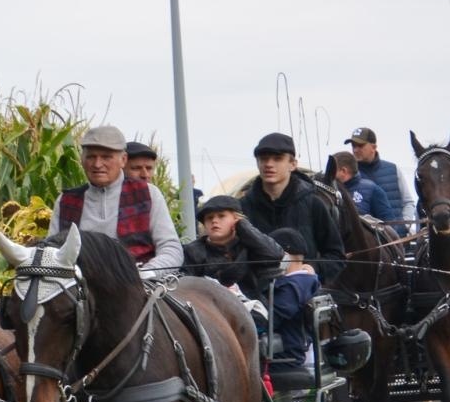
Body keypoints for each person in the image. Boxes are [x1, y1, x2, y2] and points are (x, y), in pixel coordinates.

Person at [50, 125, 183, 275]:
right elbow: (51, 253)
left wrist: (148, 273)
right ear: (82, 160)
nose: (97, 164)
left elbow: (171, 249)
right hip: (79, 291)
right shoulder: (66, 201)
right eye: (91, 157)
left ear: (123, 160)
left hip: (140, 287)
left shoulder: (148, 195)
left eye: (106, 157)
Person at [238, 132, 345, 284]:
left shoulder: (313, 204)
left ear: (293, 164)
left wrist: (313, 269)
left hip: (303, 294)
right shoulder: (242, 208)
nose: (269, 164)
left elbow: (336, 255)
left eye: (277, 159)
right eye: (263, 158)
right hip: (255, 298)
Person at [181, 194, 284, 301]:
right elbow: (186, 286)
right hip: (209, 308)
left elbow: (275, 255)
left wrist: (244, 227)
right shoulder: (192, 251)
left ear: (236, 219)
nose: (214, 221)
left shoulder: (250, 244)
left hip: (251, 306)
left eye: (221, 216)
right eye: (209, 218)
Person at [265, 228, 321, 372]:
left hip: (286, 357)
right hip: (287, 352)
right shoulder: (302, 281)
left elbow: (269, 320)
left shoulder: (294, 287)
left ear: (284, 257)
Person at [347, 127, 416, 233]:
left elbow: (408, 202)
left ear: (373, 147)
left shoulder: (393, 169)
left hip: (398, 241)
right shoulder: (348, 176)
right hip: (367, 243)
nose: (355, 150)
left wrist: (404, 225)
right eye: (353, 146)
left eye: (360, 145)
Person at [329, 151, 394, 221]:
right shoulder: (329, 190)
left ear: (343, 171)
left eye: (332, 170)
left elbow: (389, 222)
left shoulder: (372, 189)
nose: (329, 174)